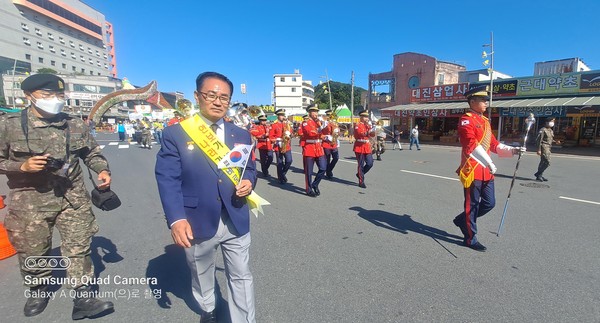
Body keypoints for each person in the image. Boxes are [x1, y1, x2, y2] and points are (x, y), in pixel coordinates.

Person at [0, 74, 115, 319]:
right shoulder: (8, 125)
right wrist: (21, 167)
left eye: (59, 95)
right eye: (47, 95)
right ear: (29, 96)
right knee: (34, 250)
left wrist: (102, 169)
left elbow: (91, 152)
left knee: (78, 247)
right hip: (30, 201)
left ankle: (83, 296)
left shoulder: (75, 124)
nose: (54, 100)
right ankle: (38, 288)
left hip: (72, 197)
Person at [155, 72, 257, 323]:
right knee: (201, 270)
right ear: (197, 96)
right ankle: (209, 308)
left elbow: (250, 169)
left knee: (241, 275)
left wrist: (248, 181)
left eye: (224, 97)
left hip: (235, 214)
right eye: (211, 95)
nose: (218, 101)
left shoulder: (240, 134)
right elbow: (168, 178)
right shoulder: (176, 134)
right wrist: (176, 219)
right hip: (196, 218)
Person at [453, 85, 525, 252]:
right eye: (483, 100)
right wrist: (490, 163)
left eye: (486, 100)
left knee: (489, 203)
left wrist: (513, 150)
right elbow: (471, 145)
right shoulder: (466, 120)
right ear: (472, 101)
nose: (486, 103)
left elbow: (493, 144)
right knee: (472, 206)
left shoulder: (485, 121)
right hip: (473, 170)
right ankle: (470, 238)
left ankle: (462, 220)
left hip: (486, 171)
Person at [301, 105, 327, 197]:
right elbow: (310, 133)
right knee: (309, 171)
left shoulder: (318, 122)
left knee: (323, 168)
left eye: (316, 112)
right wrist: (321, 133)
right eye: (313, 111)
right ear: (309, 112)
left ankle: (315, 184)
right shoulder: (305, 123)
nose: (316, 113)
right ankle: (308, 189)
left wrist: (326, 126)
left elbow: (325, 132)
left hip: (318, 148)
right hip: (310, 148)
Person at [269, 109, 293, 184]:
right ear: (278, 116)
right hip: (278, 145)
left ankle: (282, 174)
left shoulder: (287, 125)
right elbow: (271, 137)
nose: (283, 117)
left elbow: (291, 134)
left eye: (283, 115)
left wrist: (290, 134)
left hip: (286, 145)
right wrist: (278, 139)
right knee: (279, 162)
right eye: (281, 115)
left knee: (289, 160)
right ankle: (280, 178)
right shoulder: (274, 125)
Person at [353, 110, 376, 188]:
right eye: (365, 117)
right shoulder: (357, 125)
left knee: (370, 163)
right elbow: (360, 134)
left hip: (366, 146)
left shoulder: (368, 126)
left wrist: (373, 128)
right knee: (361, 165)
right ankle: (361, 181)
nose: (367, 118)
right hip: (359, 146)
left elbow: (372, 135)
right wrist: (368, 130)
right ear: (361, 117)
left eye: (367, 117)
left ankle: (359, 174)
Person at [535, 117, 557, 182]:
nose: (553, 123)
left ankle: (539, 175)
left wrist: (556, 142)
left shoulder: (550, 130)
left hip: (548, 147)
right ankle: (538, 174)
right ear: (547, 122)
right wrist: (538, 149)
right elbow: (539, 140)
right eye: (552, 121)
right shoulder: (543, 130)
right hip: (544, 147)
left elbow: (550, 139)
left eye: (553, 121)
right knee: (547, 162)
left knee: (543, 162)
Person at [321, 109, 340, 179]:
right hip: (326, 143)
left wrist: (337, 131)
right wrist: (325, 137)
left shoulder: (335, 123)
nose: (330, 117)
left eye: (331, 115)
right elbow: (321, 132)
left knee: (336, 158)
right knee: (327, 159)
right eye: (328, 115)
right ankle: (328, 172)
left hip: (333, 143)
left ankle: (329, 170)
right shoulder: (324, 123)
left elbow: (338, 132)